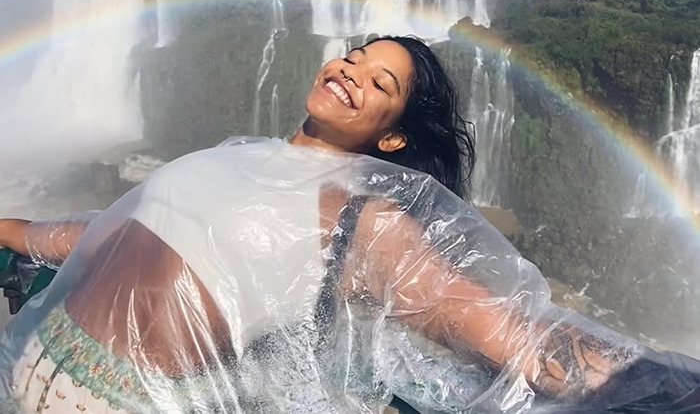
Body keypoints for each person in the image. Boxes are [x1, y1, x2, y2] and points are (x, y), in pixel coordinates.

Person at [0, 36, 697, 414]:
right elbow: (109, 230)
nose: (351, 71)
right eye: (356, 56)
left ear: (392, 138)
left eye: (381, 84)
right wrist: (11, 227)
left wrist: (666, 383)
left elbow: (512, 329)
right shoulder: (237, 153)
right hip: (34, 368)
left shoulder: (367, 221)